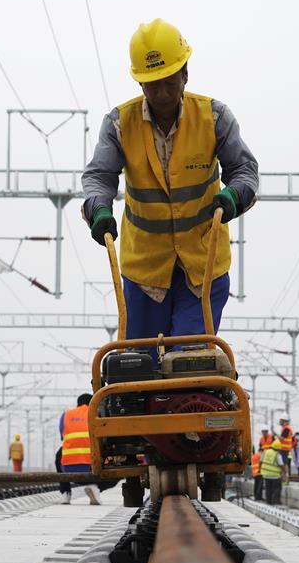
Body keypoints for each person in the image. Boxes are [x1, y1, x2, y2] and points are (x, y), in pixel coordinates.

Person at [80, 18, 259, 356]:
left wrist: (234, 196)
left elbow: (245, 169)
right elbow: (99, 176)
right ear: (140, 83)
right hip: (144, 270)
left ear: (185, 74)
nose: (161, 93)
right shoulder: (119, 124)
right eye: (151, 84)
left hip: (202, 268)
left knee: (187, 363)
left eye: (168, 81)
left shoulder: (215, 118)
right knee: (138, 367)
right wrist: (98, 208)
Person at [58, 394, 118, 504]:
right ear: (93, 403)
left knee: (59, 454)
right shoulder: (99, 414)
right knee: (117, 460)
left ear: (77, 404)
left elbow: (63, 437)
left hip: (69, 470)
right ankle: (96, 487)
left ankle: (65, 493)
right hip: (95, 470)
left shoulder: (66, 415)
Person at [260, 441, 286, 505]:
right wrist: (285, 471)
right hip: (275, 475)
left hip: (266, 475)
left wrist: (260, 469)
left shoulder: (265, 452)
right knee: (276, 489)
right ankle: (275, 502)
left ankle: (268, 501)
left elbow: (260, 461)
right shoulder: (277, 454)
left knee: (268, 489)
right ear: (278, 448)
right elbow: (281, 465)